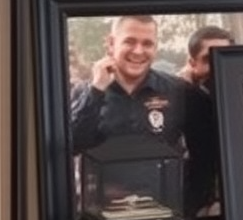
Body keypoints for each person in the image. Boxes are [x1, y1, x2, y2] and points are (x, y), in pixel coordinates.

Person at [70, 14, 184, 156]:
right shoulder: (83, 93)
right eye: (129, 42)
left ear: (156, 47)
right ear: (111, 43)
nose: (138, 51)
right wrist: (96, 91)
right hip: (104, 177)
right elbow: (73, 145)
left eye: (147, 43)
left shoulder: (178, 90)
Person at [175, 24, 235, 218]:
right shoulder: (180, 100)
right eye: (209, 60)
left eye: (225, 57)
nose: (218, 66)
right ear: (192, 63)